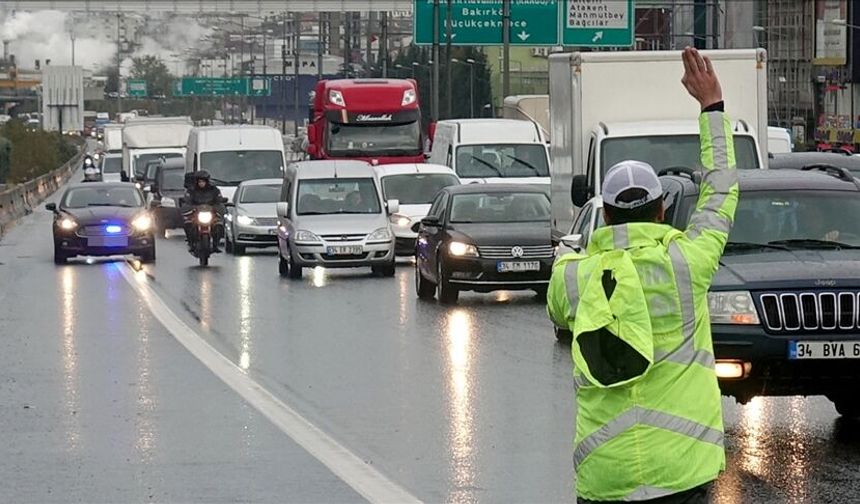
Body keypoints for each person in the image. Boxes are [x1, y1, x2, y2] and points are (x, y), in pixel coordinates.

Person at [547, 47, 737, 503]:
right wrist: (711, 108)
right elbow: (721, 192)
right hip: (682, 470)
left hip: (605, 474)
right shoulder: (687, 263)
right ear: (663, 208)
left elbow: (560, 288)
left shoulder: (572, 278)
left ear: (606, 216)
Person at [181, 170, 226, 252]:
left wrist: (220, 203)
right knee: (188, 224)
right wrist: (188, 206)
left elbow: (219, 200)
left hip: (211, 214)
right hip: (196, 214)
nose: (201, 183)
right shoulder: (191, 190)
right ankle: (191, 243)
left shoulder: (214, 190)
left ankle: (215, 244)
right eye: (200, 181)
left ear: (207, 181)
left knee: (219, 226)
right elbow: (187, 200)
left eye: (203, 181)